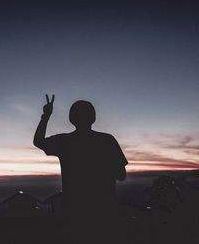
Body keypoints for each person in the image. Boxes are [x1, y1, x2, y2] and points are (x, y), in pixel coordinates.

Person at [33, 95, 128, 240]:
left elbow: (38, 141)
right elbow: (121, 175)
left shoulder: (65, 141)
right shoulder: (107, 140)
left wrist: (46, 116)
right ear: (93, 118)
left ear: (71, 119)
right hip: (104, 209)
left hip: (74, 209)